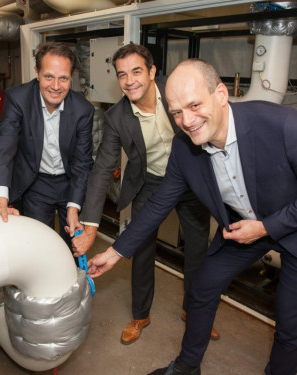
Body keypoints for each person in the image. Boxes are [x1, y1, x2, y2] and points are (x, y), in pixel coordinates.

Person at [88, 58, 297, 375]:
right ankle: (187, 367)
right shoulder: (185, 149)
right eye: (176, 112)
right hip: (244, 227)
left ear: (221, 94)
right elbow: (158, 204)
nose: (187, 120)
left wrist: (266, 227)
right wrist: (115, 252)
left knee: (290, 325)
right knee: (202, 286)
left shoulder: (281, 124)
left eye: (195, 104)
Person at [71, 43, 217, 345]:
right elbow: (101, 170)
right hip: (149, 183)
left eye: (137, 71)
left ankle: (194, 311)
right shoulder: (116, 117)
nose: (129, 80)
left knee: (197, 249)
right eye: (122, 74)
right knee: (140, 249)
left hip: (191, 181)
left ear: (152, 72)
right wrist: (90, 224)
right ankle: (140, 314)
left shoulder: (175, 91)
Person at [0, 42, 94, 249]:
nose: (56, 86)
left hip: (71, 183)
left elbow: (82, 162)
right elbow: (4, 146)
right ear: (37, 72)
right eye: (49, 76)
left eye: (63, 78)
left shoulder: (83, 110)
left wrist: (74, 206)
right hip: (37, 184)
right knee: (40, 244)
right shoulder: (18, 99)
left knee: (72, 247)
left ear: (71, 77)